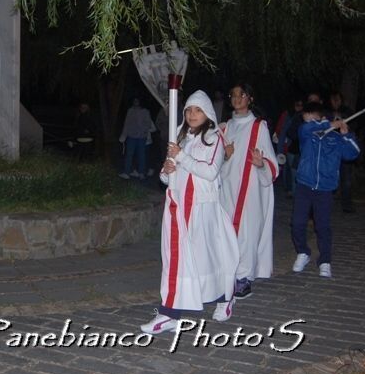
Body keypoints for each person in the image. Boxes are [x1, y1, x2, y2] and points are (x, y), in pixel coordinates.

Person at [140, 90, 239, 334]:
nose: (192, 114)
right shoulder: (180, 138)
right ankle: (170, 313)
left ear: (207, 113)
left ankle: (225, 297)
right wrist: (167, 170)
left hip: (203, 208)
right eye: (189, 110)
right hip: (179, 207)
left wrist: (181, 157)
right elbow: (168, 177)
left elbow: (210, 171)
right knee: (178, 260)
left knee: (207, 258)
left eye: (198, 110)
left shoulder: (215, 139)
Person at [219, 83, 278, 300]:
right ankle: (228, 275)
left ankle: (243, 278)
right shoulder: (224, 128)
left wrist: (261, 163)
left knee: (247, 233)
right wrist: (225, 156)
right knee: (227, 233)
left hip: (250, 188)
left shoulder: (258, 127)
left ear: (249, 98)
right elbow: (216, 162)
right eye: (233, 95)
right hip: (226, 187)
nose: (237, 98)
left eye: (241, 94)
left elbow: (271, 162)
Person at [291, 101, 360, 279]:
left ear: (321, 117)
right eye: (306, 120)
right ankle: (303, 252)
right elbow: (308, 130)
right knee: (298, 223)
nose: (308, 124)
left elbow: (353, 153)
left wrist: (346, 134)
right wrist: (330, 124)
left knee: (323, 227)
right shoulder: (307, 133)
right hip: (304, 185)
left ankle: (325, 261)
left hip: (325, 189)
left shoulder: (335, 139)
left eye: (312, 120)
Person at [328, 91, 355, 213]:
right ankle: (326, 203)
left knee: (347, 179)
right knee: (328, 176)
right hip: (331, 149)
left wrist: (342, 120)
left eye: (337, 99)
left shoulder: (348, 111)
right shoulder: (327, 112)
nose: (335, 102)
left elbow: (354, 125)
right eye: (333, 99)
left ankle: (346, 205)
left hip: (344, 148)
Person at [118, 97, 156, 179]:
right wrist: (123, 135)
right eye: (134, 100)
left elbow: (148, 123)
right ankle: (127, 172)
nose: (136, 102)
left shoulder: (145, 111)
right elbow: (126, 124)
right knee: (129, 155)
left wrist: (143, 130)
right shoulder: (130, 111)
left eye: (137, 100)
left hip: (141, 137)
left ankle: (141, 173)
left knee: (141, 155)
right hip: (131, 136)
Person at [274, 97, 303, 198]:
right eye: (297, 105)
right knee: (289, 169)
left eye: (301, 105)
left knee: (294, 169)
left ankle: (293, 191)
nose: (299, 108)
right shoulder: (288, 115)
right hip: (289, 147)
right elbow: (282, 132)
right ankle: (290, 189)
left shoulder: (304, 116)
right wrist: (280, 149)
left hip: (299, 148)